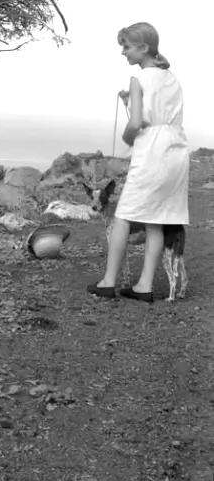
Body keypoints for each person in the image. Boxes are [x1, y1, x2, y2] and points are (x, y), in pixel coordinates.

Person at [88, 22, 189, 302]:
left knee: (122, 217)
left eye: (127, 46)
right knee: (156, 219)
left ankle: (108, 282)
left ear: (143, 48)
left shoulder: (138, 79)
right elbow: (159, 116)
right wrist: (132, 106)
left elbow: (135, 127)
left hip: (152, 153)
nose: (123, 52)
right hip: (176, 152)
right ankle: (144, 286)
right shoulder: (172, 79)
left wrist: (127, 133)